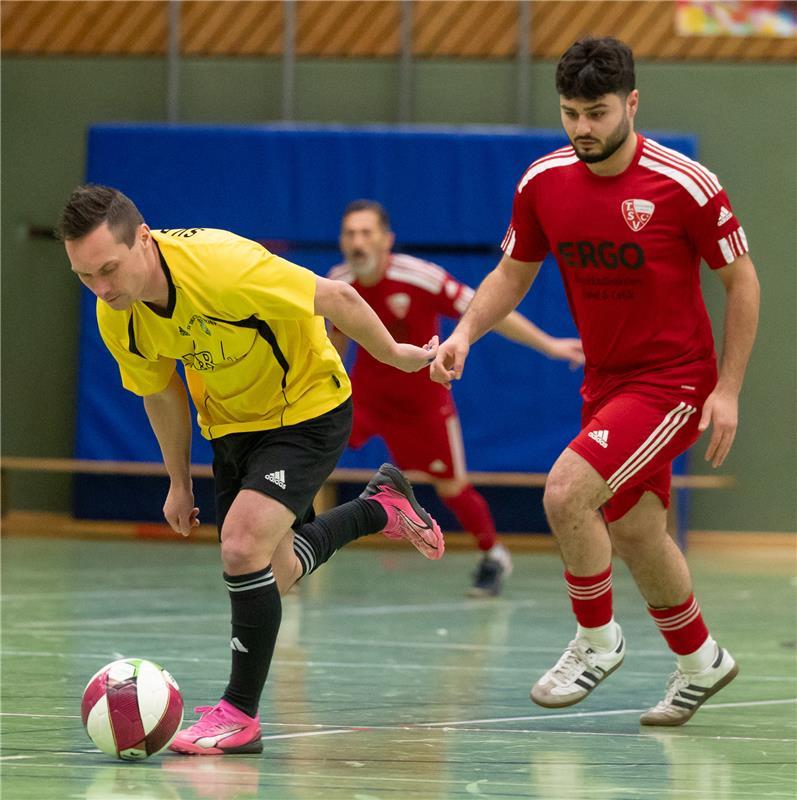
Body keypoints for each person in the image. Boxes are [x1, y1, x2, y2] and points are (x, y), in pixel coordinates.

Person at [431, 37, 759, 725]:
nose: (582, 128)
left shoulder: (685, 184)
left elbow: (742, 282)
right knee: (636, 531)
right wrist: (463, 334)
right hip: (605, 383)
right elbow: (511, 274)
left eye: (597, 113)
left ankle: (596, 640)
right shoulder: (542, 182)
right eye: (570, 113)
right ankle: (702, 660)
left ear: (632, 103)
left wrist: (726, 390)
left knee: (565, 492)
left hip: (674, 382)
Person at [58, 184, 446, 755]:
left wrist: (395, 355)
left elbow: (337, 297)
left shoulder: (222, 265)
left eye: (109, 270)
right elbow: (161, 391)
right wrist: (178, 481)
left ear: (143, 239)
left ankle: (239, 715)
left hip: (306, 407)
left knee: (241, 548)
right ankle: (377, 508)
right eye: (85, 276)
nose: (102, 288)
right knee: (273, 573)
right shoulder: (117, 314)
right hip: (231, 426)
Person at [328, 200, 584, 596]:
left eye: (366, 233)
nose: (357, 242)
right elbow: (336, 343)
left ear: (386, 240)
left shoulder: (421, 278)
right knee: (313, 450)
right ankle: (291, 545)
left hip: (423, 407)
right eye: (350, 234)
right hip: (366, 399)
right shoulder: (339, 284)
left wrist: (548, 345)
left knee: (451, 487)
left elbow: (489, 310)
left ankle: (493, 555)